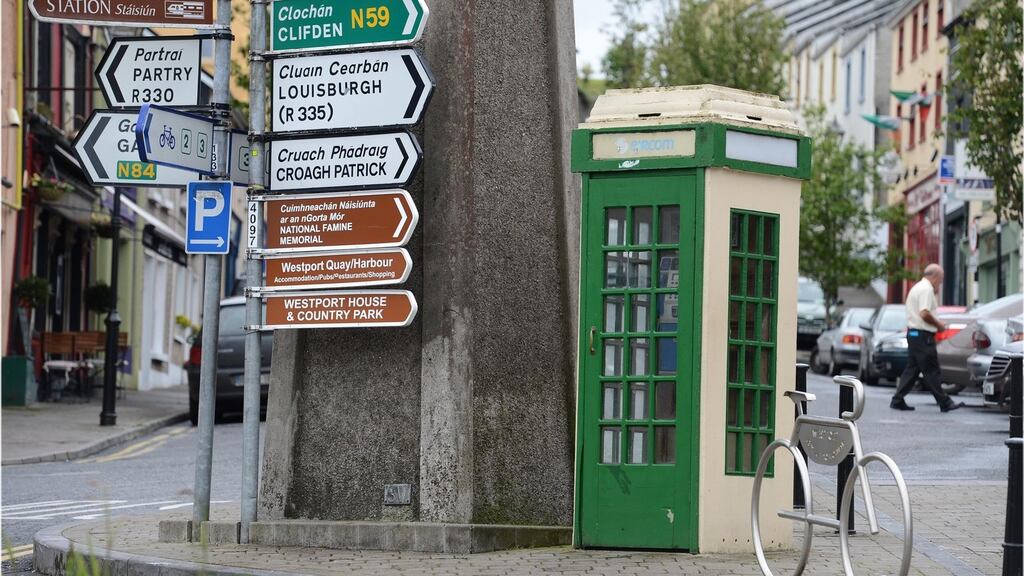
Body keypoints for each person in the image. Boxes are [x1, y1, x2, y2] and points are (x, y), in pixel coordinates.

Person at [890, 264, 965, 412]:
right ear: (935, 276)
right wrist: (939, 325)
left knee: (912, 369)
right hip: (923, 335)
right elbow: (924, 313)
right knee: (931, 370)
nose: (941, 283)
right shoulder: (926, 289)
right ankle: (945, 402)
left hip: (914, 334)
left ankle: (897, 399)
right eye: (941, 279)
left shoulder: (917, 287)